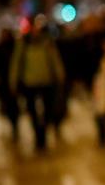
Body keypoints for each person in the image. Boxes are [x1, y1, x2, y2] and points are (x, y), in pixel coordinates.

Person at [8, 16, 65, 152]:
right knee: (32, 111)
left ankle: (43, 133)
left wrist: (60, 75)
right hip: (30, 83)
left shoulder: (47, 41)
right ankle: (38, 135)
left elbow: (54, 59)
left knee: (48, 111)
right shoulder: (23, 43)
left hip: (46, 81)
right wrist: (13, 81)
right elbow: (16, 63)